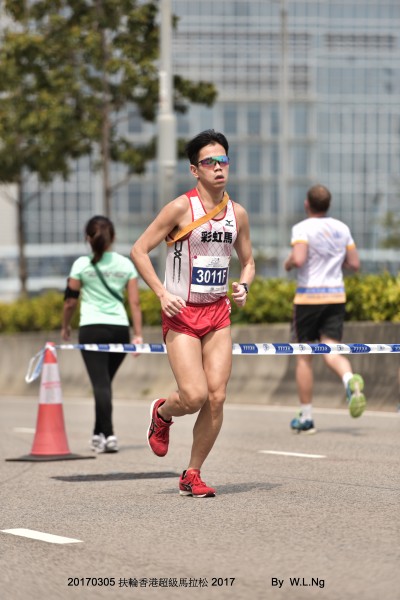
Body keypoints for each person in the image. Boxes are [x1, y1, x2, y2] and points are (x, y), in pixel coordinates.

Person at [131, 129, 255, 497]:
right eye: (209, 162)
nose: (218, 168)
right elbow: (139, 250)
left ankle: (192, 473)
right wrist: (161, 292)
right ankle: (163, 413)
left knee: (217, 396)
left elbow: (248, 262)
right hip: (182, 315)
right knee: (194, 395)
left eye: (223, 161)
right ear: (194, 170)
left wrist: (244, 286)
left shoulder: (237, 214)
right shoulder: (179, 208)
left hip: (217, 315)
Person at [284, 184, 366, 434]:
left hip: (309, 298)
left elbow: (299, 259)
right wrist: (335, 259)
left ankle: (307, 418)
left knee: (304, 357)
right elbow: (354, 263)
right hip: (335, 296)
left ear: (307, 204)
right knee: (331, 350)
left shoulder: (302, 228)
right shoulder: (342, 228)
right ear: (328, 205)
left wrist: (288, 262)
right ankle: (349, 381)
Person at [61, 215, 143, 453]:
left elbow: (70, 302)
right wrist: (138, 334)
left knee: (101, 385)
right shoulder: (125, 264)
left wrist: (65, 326)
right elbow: (135, 303)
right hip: (120, 330)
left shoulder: (80, 265)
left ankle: (109, 435)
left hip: (91, 329)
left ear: (87, 238)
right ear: (113, 237)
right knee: (104, 384)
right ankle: (98, 435)